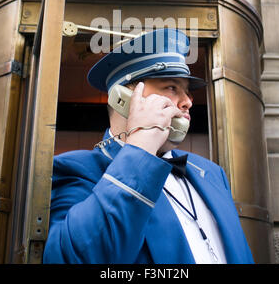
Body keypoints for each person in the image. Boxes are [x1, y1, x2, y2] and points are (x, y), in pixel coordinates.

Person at [43, 28, 254, 264]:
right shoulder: (76, 169)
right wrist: (141, 147)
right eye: (172, 88)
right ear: (123, 99)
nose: (187, 102)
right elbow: (74, 258)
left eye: (187, 92)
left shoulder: (212, 173)